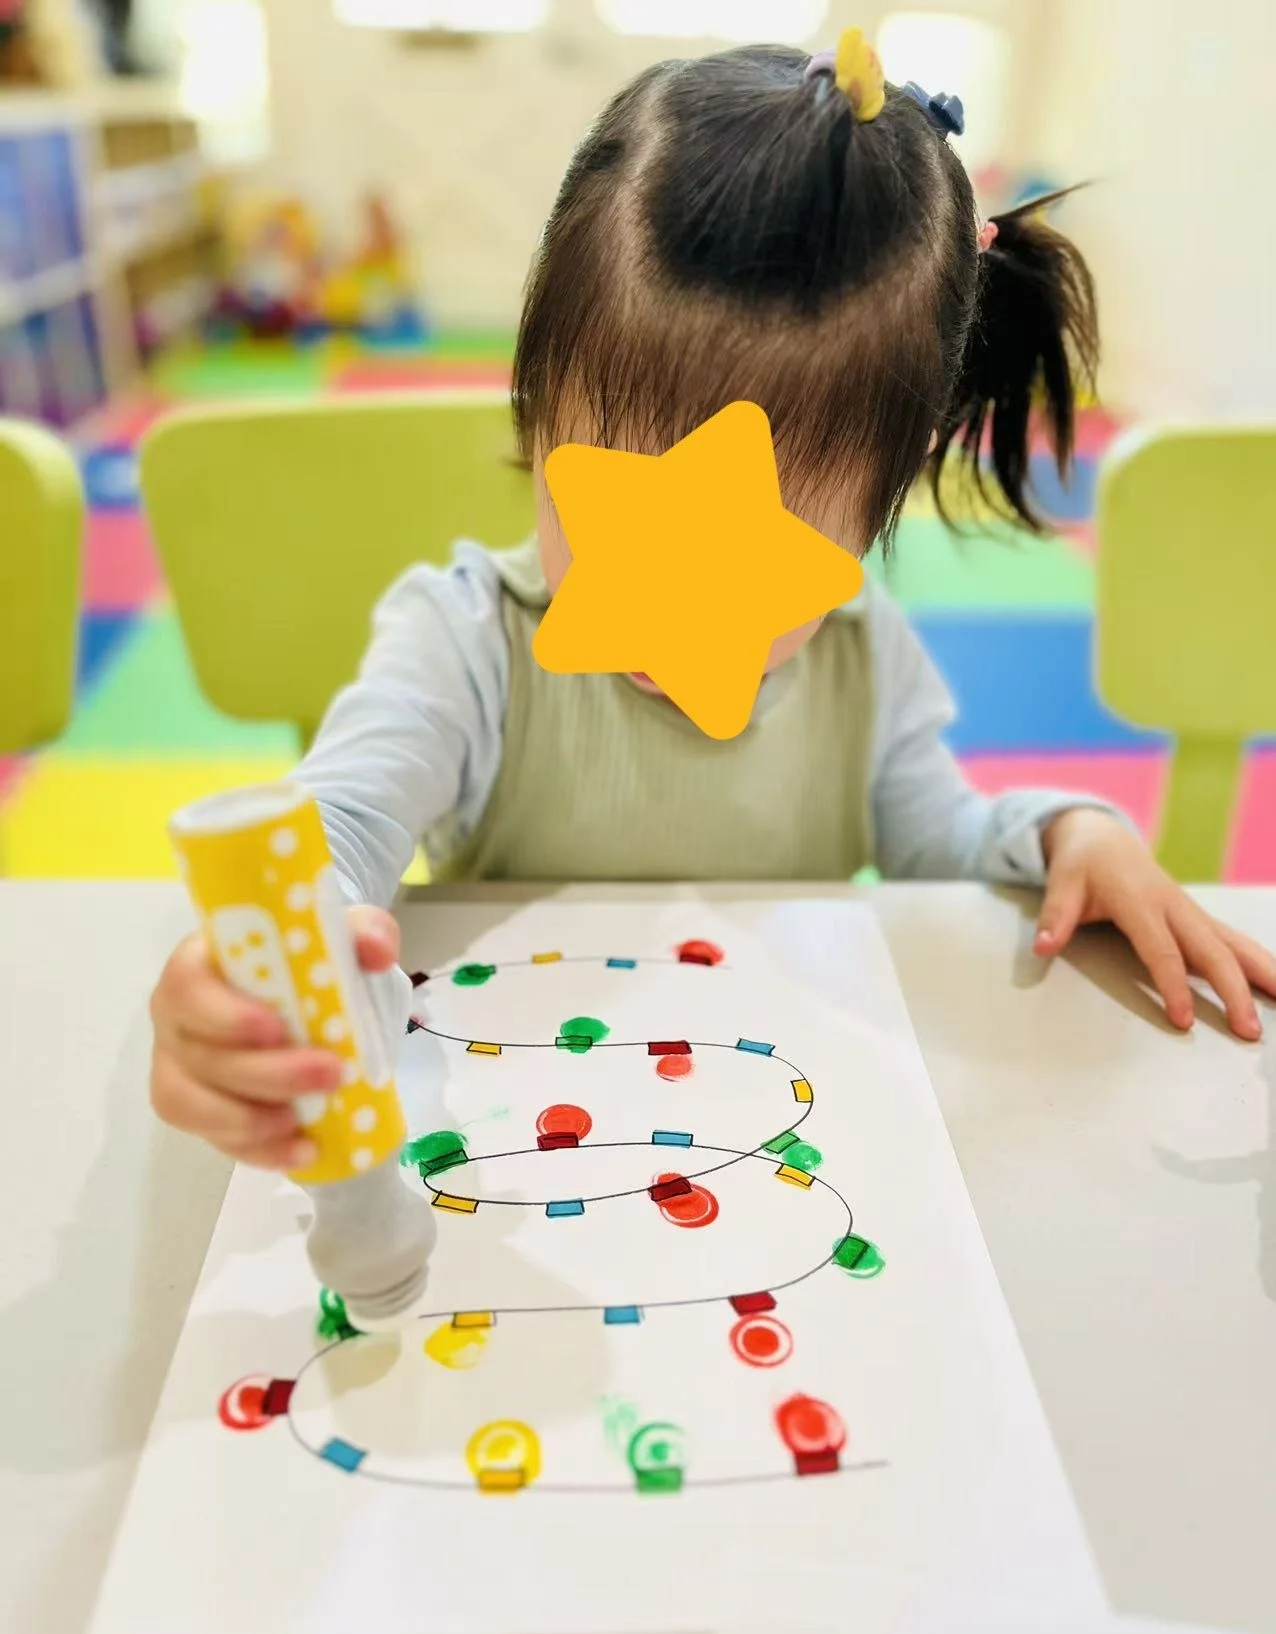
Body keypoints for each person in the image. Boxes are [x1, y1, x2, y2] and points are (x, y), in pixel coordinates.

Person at [148, 38, 1276, 1171]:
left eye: (740, 562)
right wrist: (267, 959)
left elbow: (946, 844)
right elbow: (340, 821)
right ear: (533, 414)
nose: (654, 607)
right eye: (606, 523)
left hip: (759, 1127)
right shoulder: (468, 641)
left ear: (888, 495)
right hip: (523, 1132)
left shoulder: (857, 656)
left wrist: (1071, 832)